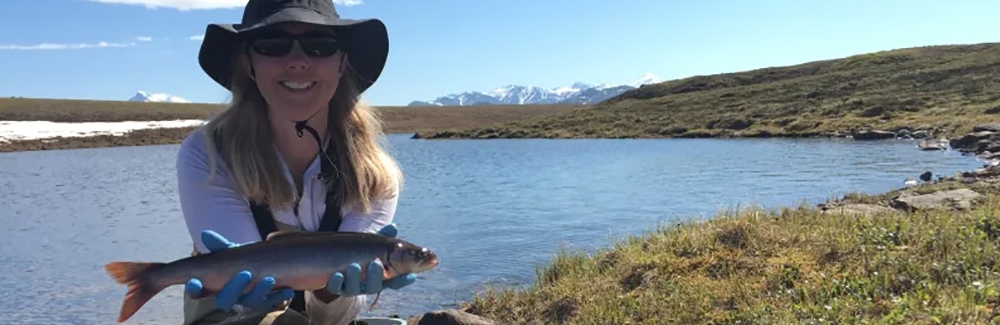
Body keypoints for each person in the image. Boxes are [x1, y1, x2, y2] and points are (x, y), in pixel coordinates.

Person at [173, 0, 415, 324]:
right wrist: (246, 298)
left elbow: (336, 317)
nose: (297, 61)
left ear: (341, 63)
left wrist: (333, 294)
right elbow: (244, 290)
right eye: (273, 44)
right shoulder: (208, 154)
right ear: (249, 64)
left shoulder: (375, 176)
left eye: (320, 45)